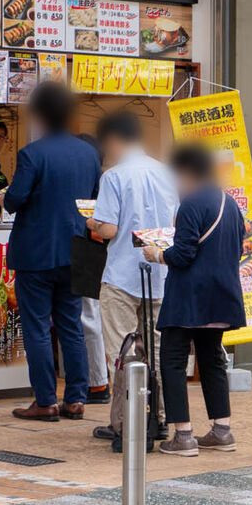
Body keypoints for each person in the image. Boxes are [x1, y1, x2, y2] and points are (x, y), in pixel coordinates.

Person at [2, 82, 101, 421]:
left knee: (38, 328)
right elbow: (95, 198)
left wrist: (4, 197)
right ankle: (75, 398)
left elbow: (15, 200)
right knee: (71, 325)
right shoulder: (89, 153)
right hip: (76, 251)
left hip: (37, 254)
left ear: (41, 114)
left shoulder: (33, 154)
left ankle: (45, 401)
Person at [141, 144, 247, 456]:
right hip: (222, 296)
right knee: (212, 359)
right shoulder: (230, 203)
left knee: (172, 360)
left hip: (189, 298)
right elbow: (236, 248)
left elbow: (184, 254)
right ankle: (221, 430)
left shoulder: (191, 204)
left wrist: (156, 254)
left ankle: (183, 435)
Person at [84, 109, 179, 444]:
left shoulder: (114, 176)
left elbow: (108, 228)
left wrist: (90, 221)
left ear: (113, 139)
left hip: (122, 275)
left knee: (124, 351)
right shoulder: (167, 173)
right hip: (160, 274)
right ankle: (162, 419)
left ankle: (126, 424)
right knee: (157, 350)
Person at [74, 132, 113, 406]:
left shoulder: (100, 183)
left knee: (89, 316)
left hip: (91, 253)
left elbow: (104, 225)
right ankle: (95, 380)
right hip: (95, 254)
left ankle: (98, 384)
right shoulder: (100, 180)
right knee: (89, 316)